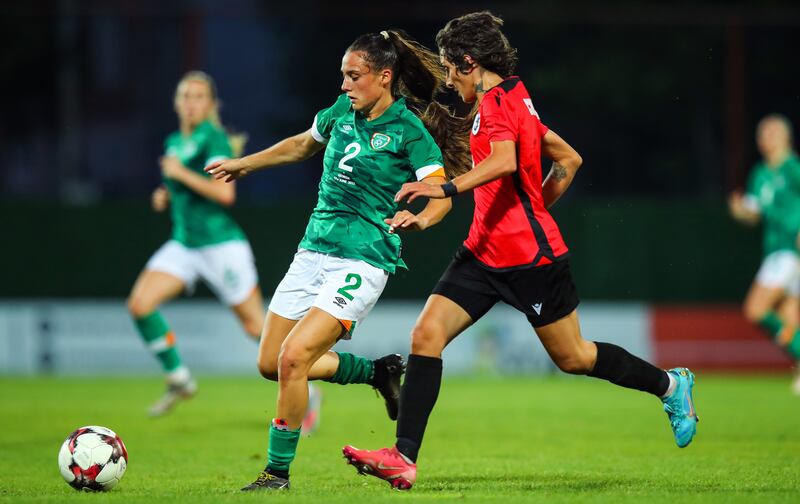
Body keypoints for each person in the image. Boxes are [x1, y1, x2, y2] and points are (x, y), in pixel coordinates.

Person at [342, 11, 699, 490]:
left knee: (573, 358)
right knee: (426, 334)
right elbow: (569, 159)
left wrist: (448, 191)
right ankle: (403, 457)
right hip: (481, 253)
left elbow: (507, 160)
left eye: (450, 68)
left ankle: (671, 386)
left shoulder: (497, 105)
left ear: (469, 62)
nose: (449, 78)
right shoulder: (515, 97)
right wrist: (534, 205)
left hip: (530, 260)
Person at [205, 29, 470, 491]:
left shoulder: (410, 131)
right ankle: (376, 371)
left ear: (384, 77)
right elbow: (302, 145)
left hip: (363, 258)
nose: (345, 85)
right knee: (271, 363)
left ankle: (276, 473)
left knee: (294, 358)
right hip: (313, 251)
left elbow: (441, 197)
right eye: (343, 76)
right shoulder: (339, 112)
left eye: (354, 76)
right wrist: (245, 164)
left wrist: (421, 219)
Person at [127, 71, 265, 417]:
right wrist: (164, 195)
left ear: (210, 105)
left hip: (221, 246)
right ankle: (180, 378)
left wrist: (178, 175)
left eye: (198, 97)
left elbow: (225, 192)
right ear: (176, 103)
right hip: (185, 245)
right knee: (140, 305)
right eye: (185, 96)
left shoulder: (212, 140)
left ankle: (306, 391)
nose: (190, 103)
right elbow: (181, 189)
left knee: (255, 327)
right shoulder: (175, 141)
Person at [728, 113, 800, 394]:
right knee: (789, 317)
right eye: (762, 133)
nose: (765, 138)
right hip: (774, 252)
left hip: (788, 252)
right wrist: (741, 213)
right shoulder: (760, 173)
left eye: (771, 132)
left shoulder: (792, 167)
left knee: (756, 310)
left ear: (785, 137)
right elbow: (754, 214)